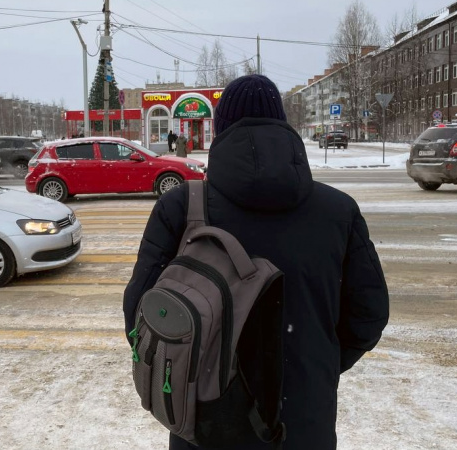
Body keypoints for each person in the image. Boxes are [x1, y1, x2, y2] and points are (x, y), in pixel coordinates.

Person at [123, 74, 389, 450]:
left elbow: (142, 314)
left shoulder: (181, 207)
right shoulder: (337, 211)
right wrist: (315, 362)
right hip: (302, 422)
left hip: (203, 421)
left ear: (221, 130)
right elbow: (368, 315)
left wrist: (200, 365)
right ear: (283, 125)